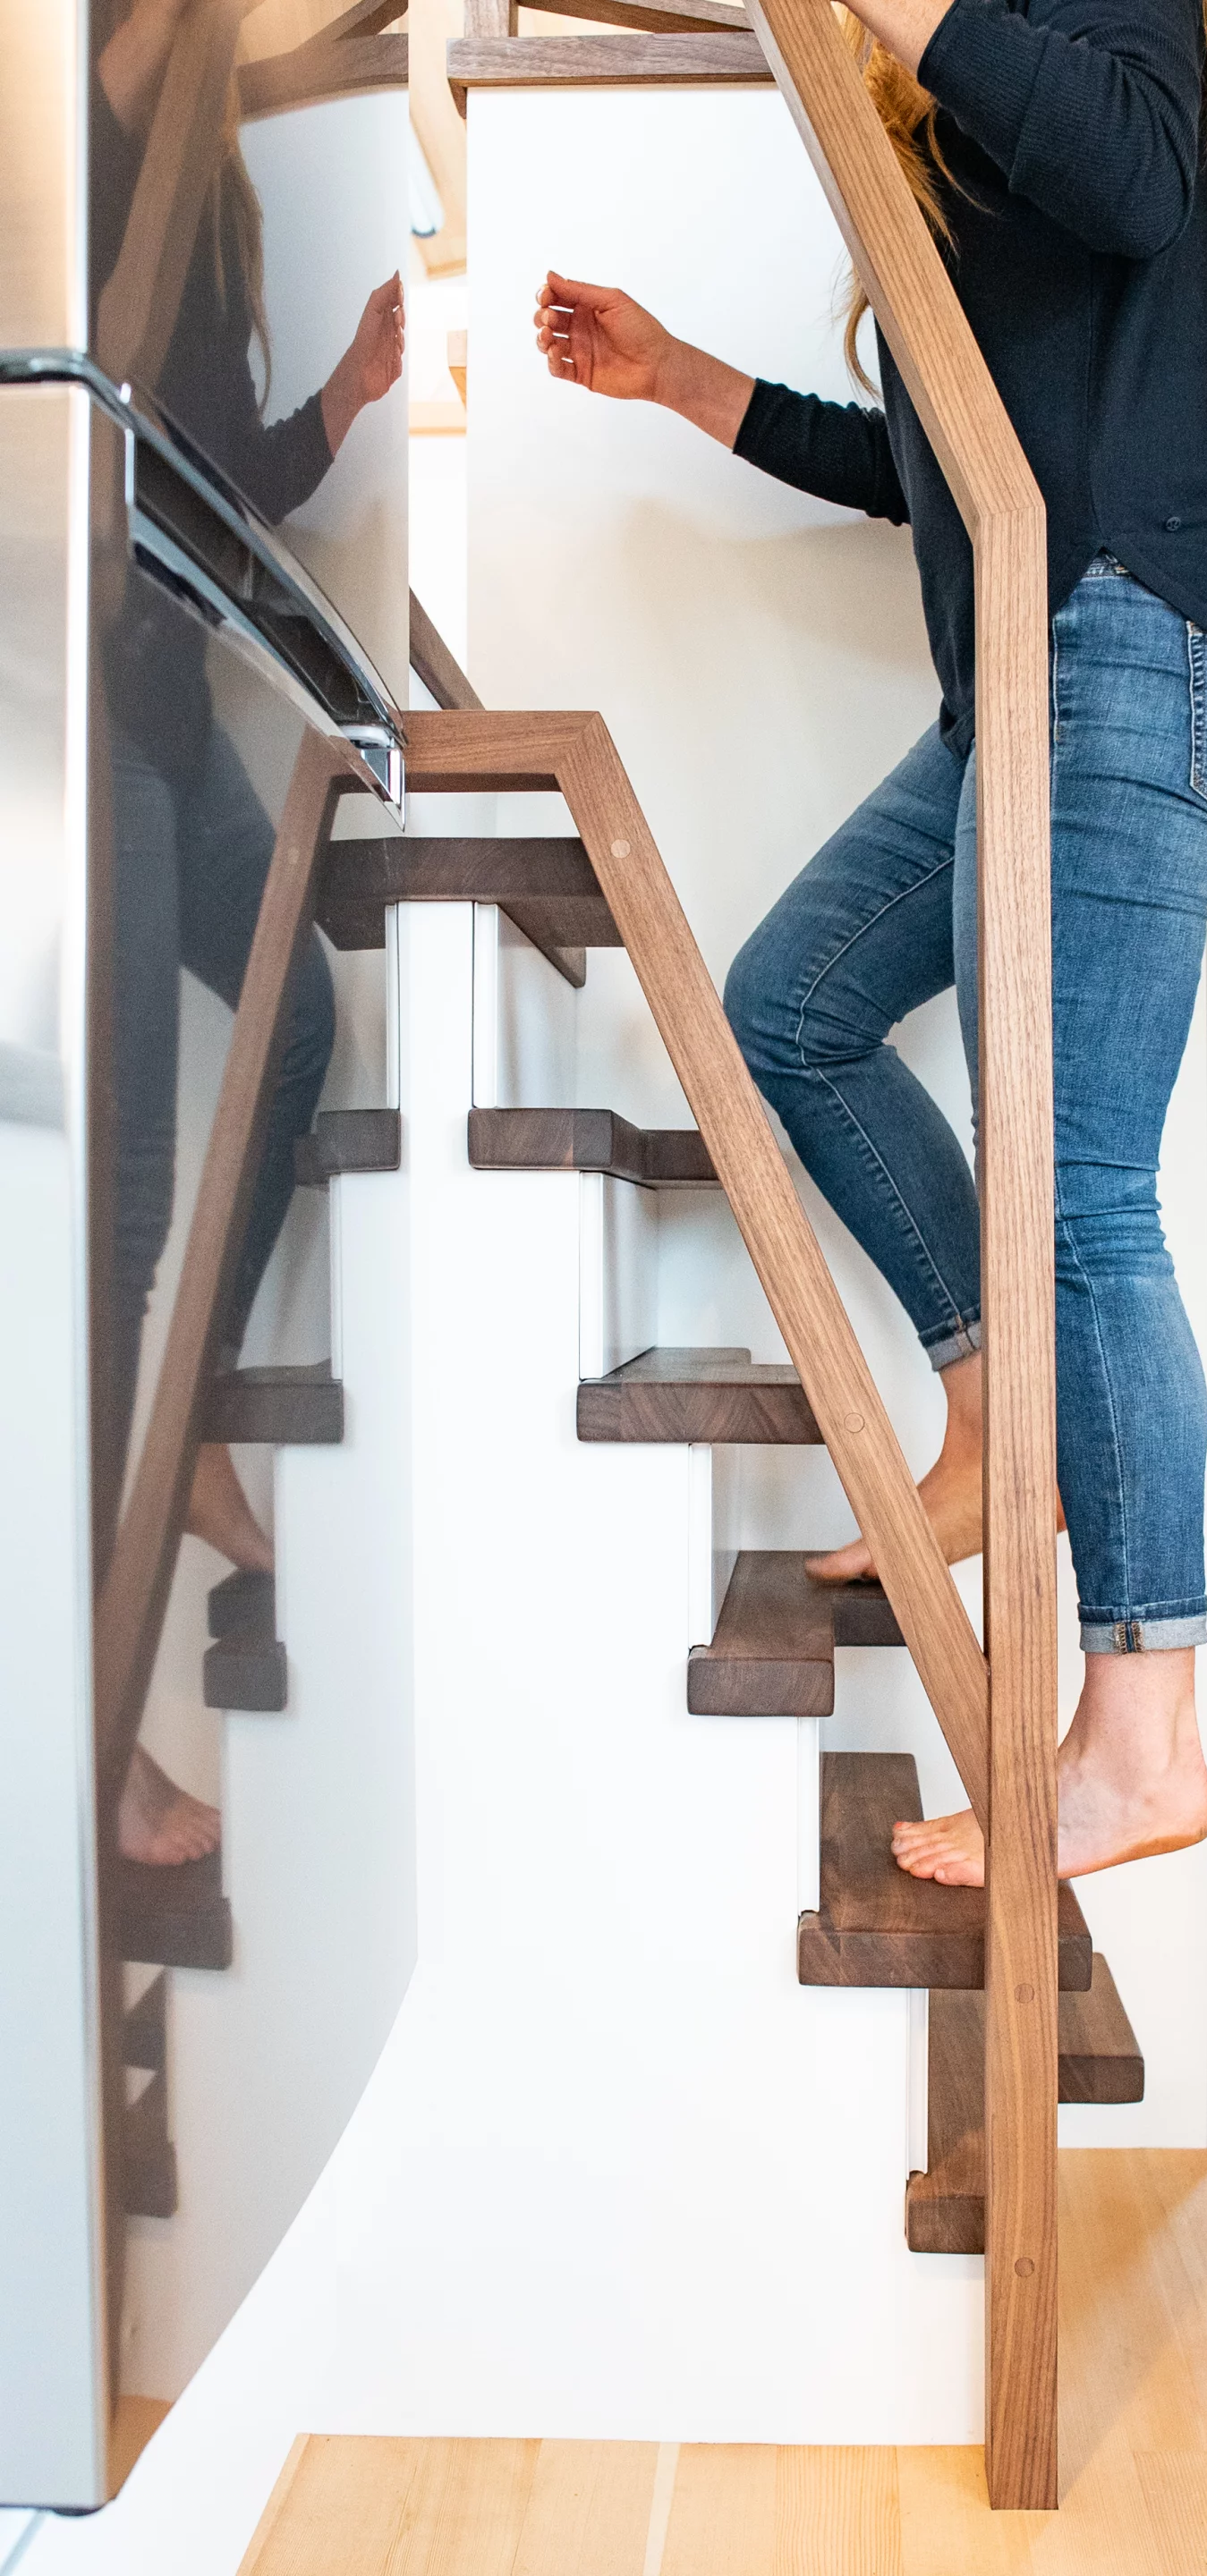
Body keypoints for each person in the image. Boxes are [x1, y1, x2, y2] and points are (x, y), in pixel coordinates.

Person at [532, 0, 1207, 1885]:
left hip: (1142, 630)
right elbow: (936, 461)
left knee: (1079, 1187)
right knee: (791, 1005)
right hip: (1029, 670)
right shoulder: (962, 124)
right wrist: (683, 382)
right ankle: (988, 1417)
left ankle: (1141, 1740)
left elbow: (1136, 180)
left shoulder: (1097, 30)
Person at [94, 0, 404, 1865]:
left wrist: (347, 402)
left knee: (298, 1018)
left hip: (170, 714)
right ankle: (99, 1760)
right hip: (69, 715)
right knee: (122, 1223)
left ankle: (199, 1424)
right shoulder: (57, 156)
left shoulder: (208, 194)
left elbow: (211, 493)